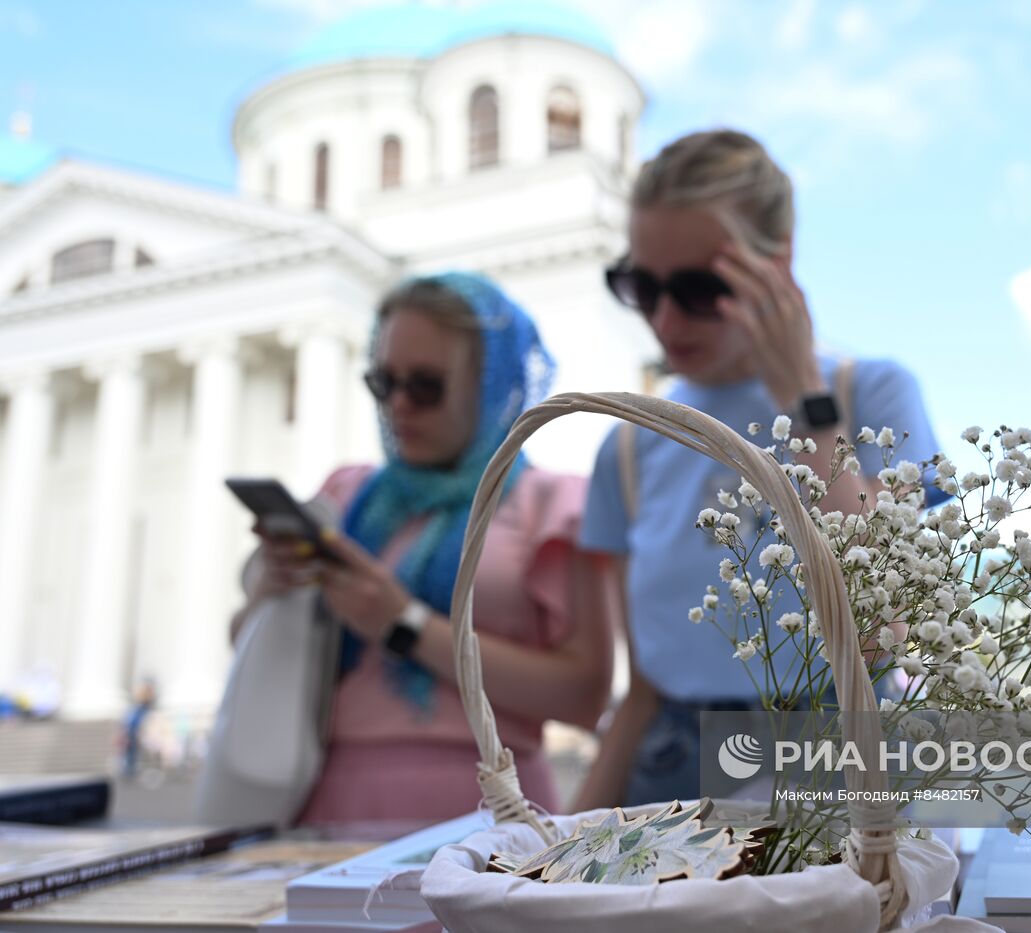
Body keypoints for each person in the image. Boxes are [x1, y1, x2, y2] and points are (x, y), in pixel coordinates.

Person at [573, 130, 948, 809]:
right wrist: (553, 860)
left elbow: (883, 625)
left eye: (697, 287)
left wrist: (807, 406)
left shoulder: (873, 394)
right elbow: (644, 688)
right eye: (641, 285)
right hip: (668, 767)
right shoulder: (630, 444)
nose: (664, 316)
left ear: (777, 262)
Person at [229, 272, 614, 836]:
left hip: (490, 810)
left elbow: (585, 693)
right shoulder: (345, 495)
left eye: (426, 386)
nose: (399, 406)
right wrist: (272, 590)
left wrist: (403, 623)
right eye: (383, 383)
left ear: (489, 383)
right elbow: (244, 640)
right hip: (325, 804)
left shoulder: (549, 501)